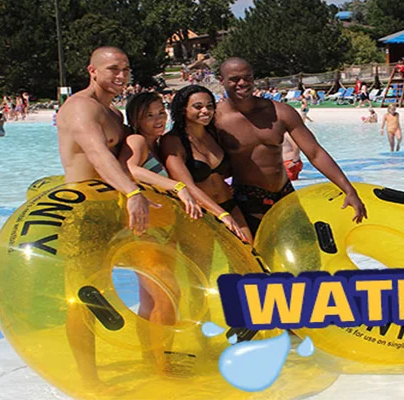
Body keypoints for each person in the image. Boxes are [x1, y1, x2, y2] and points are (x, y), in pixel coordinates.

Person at [56, 46, 159, 387]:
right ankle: (90, 380)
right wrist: (132, 192)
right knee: (84, 298)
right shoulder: (80, 108)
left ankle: (152, 356)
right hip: (84, 215)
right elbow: (98, 154)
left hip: (112, 212)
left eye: (126, 69)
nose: (121, 75)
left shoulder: (112, 112)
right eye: (113, 69)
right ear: (93, 71)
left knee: (148, 283)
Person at [213, 57, 366, 234]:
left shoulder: (280, 112)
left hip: (285, 193)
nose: (242, 83)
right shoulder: (216, 119)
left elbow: (315, 153)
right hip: (247, 198)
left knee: (307, 246)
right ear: (221, 80)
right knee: (257, 250)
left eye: (247, 77)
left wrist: (349, 190)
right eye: (234, 79)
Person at [159, 85, 252, 242]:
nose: (205, 111)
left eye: (209, 106)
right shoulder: (172, 141)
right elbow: (187, 185)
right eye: (198, 106)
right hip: (200, 211)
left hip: (229, 205)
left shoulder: (214, 134)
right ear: (183, 109)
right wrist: (222, 215)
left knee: (250, 253)